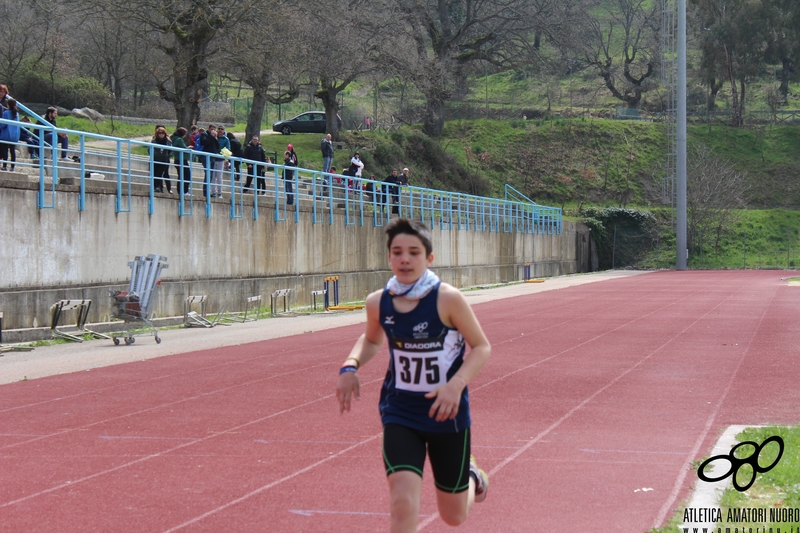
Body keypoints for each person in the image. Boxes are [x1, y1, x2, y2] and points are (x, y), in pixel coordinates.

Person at [336, 218, 491, 532]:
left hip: (447, 414)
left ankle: (472, 477)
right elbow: (372, 339)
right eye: (397, 252)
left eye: (414, 252)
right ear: (389, 257)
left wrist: (456, 385)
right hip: (401, 412)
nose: (404, 259)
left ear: (429, 258)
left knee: (453, 516)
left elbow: (481, 347)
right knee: (402, 503)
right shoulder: (379, 302)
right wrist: (350, 365)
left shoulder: (448, 299)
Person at [201, 125, 222, 198]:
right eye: (211, 129)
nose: (213, 130)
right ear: (209, 129)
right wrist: (211, 136)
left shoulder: (214, 137)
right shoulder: (205, 134)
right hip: (206, 157)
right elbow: (204, 142)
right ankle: (205, 192)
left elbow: (217, 146)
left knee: (210, 175)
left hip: (213, 157)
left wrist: (215, 138)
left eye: (214, 129)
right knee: (208, 174)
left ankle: (207, 191)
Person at [0, 98, 20, 171]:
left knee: (5, 151)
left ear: (8, 104)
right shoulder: (17, 114)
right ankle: (12, 167)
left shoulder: (6, 113)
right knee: (12, 151)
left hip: (6, 135)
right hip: (14, 136)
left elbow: (3, 125)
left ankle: (5, 166)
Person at [171, 127, 192, 196]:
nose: (185, 136)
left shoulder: (173, 139)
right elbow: (184, 149)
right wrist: (189, 148)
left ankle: (180, 191)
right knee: (187, 176)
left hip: (177, 159)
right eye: (185, 134)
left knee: (181, 176)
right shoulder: (179, 140)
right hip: (182, 160)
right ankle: (184, 191)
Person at [151, 126, 172, 193]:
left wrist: (168, 156)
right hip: (155, 160)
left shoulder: (168, 141)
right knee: (155, 174)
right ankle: (156, 187)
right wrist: (154, 154)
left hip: (164, 160)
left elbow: (171, 151)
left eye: (162, 133)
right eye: (159, 133)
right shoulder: (154, 141)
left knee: (160, 174)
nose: (161, 134)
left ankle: (163, 188)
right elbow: (150, 150)